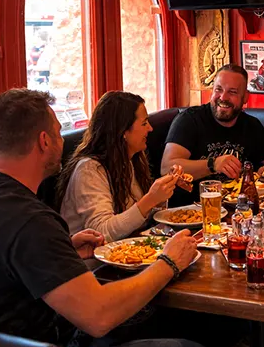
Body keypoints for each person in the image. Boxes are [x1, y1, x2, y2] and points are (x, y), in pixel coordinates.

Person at [0, 89, 214, 347]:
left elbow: (0, 263)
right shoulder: (28, 219)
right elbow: (99, 316)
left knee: (149, 317)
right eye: (60, 133)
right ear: (44, 141)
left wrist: (66, 249)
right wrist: (169, 262)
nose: (63, 142)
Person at [58, 91, 181, 242]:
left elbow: (137, 219)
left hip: (129, 250)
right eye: (144, 123)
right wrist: (150, 199)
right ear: (123, 131)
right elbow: (101, 232)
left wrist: (163, 193)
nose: (150, 128)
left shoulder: (131, 159)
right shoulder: (89, 170)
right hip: (93, 261)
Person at [161, 64, 264, 183]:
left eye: (232, 92)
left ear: (245, 97)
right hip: (193, 204)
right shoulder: (189, 120)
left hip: (239, 203)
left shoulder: (250, 125)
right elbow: (167, 168)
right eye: (218, 89)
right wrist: (213, 164)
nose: (223, 97)